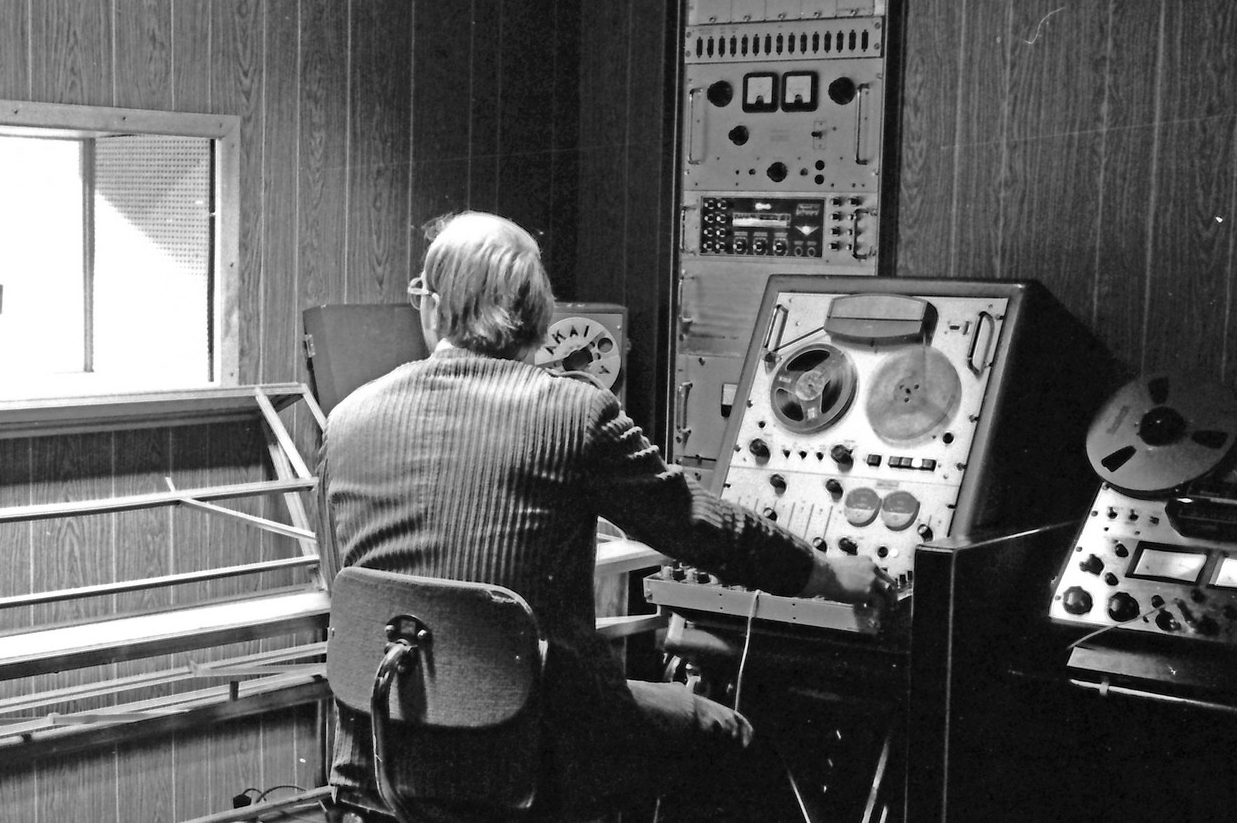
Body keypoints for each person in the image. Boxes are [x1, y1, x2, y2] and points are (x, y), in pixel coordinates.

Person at [319, 211, 892, 821]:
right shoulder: (575, 413)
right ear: (539, 313)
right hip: (538, 752)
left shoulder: (347, 419)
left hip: (383, 752)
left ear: (432, 308)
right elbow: (695, 526)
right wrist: (826, 575)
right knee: (723, 733)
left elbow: (342, 582)